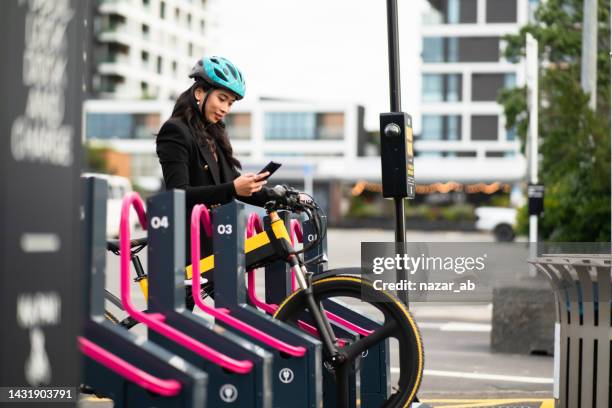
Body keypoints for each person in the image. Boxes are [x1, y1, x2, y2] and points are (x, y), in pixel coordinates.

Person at [156, 56, 275, 307]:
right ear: (200, 92)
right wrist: (232, 188)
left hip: (216, 242)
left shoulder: (214, 135)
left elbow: (234, 185)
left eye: (230, 103)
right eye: (222, 98)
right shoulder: (175, 131)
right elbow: (178, 193)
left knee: (239, 311)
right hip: (186, 247)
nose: (225, 109)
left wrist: (279, 196)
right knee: (181, 329)